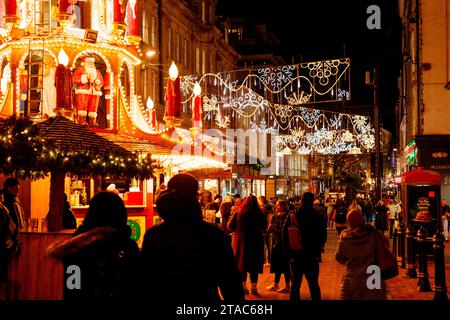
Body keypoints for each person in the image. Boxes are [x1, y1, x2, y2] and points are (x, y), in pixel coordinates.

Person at [141, 173, 244, 302]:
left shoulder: (154, 235)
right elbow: (230, 283)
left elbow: (145, 280)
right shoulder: (213, 235)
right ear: (196, 197)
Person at [47, 192, 140, 299]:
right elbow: (135, 286)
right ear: (121, 214)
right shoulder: (128, 246)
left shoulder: (76, 247)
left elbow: (72, 287)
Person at [335, 209, 387, 300]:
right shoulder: (372, 234)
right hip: (373, 276)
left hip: (353, 277)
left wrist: (351, 262)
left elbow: (338, 257)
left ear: (349, 222)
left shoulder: (345, 239)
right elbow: (384, 247)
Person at [283, 192, 326, 301]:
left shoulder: (293, 214)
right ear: (312, 201)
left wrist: (288, 253)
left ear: (301, 201)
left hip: (296, 254)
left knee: (295, 284)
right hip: (312, 255)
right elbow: (323, 235)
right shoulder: (317, 215)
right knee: (313, 284)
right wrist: (319, 248)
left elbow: (284, 234)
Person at [228, 195, 267, 296]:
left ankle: (244, 287)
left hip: (241, 243)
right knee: (254, 266)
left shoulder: (238, 213)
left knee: (242, 265)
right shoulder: (260, 213)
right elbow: (265, 226)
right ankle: (254, 288)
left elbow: (230, 226)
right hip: (256, 243)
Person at [266, 200, 291, 293]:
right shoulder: (276, 216)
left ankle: (287, 286)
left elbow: (283, 230)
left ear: (283, 206)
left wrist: (273, 228)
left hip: (283, 244)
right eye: (276, 205)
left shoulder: (285, 217)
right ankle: (276, 284)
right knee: (277, 265)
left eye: (279, 205)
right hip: (277, 243)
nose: (277, 207)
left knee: (285, 265)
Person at [72, 56, 104, 126]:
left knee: (93, 107)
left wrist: (98, 82)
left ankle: (92, 121)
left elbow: (101, 81)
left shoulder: (97, 71)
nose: (91, 63)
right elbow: (74, 80)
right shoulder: (80, 70)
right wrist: (83, 79)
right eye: (89, 62)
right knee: (82, 106)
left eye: (92, 62)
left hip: (94, 91)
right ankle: (81, 120)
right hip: (83, 90)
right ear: (84, 62)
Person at [2, 178, 25, 248]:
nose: (18, 190)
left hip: (17, 234)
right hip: (9, 236)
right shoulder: (5, 201)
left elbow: (20, 216)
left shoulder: (15, 199)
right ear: (8, 187)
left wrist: (23, 224)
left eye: (18, 188)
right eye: (15, 188)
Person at [258, 195, 274, 266]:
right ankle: (270, 260)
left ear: (261, 201)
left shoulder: (261, 209)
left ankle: (264, 261)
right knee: (269, 245)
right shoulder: (271, 209)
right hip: (269, 229)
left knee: (263, 246)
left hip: (263, 229)